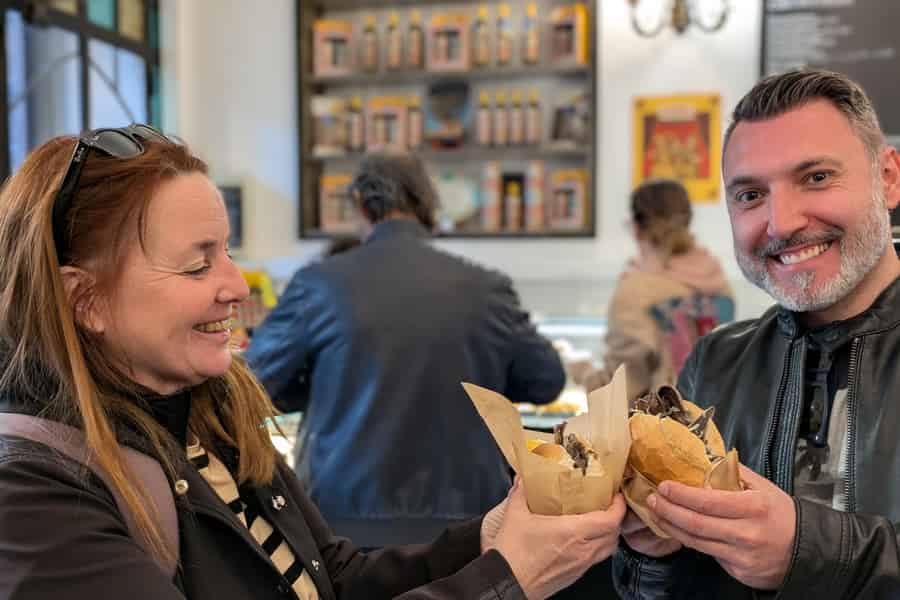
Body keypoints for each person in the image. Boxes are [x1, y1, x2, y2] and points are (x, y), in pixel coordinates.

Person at [0, 126, 627, 598]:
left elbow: (331, 577)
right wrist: (505, 579)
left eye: (227, 252)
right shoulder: (35, 496)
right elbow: (544, 378)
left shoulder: (213, 418)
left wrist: (485, 539)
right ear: (86, 300)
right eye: (197, 265)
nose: (235, 286)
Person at [612, 70, 900, 598]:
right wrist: (654, 554)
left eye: (816, 177)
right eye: (750, 195)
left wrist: (804, 551)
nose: (781, 222)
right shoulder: (715, 363)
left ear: (888, 178)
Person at [245, 153, 566, 547]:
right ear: (429, 204)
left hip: (344, 524)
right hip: (471, 524)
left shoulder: (319, 284)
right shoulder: (487, 287)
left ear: (360, 202)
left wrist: (325, 386)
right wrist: (477, 373)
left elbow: (252, 384)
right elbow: (546, 381)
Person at [579, 179, 734, 396]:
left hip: (663, 414)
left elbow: (618, 393)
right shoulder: (716, 277)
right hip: (715, 412)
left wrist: (582, 372)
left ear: (637, 229)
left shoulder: (636, 290)